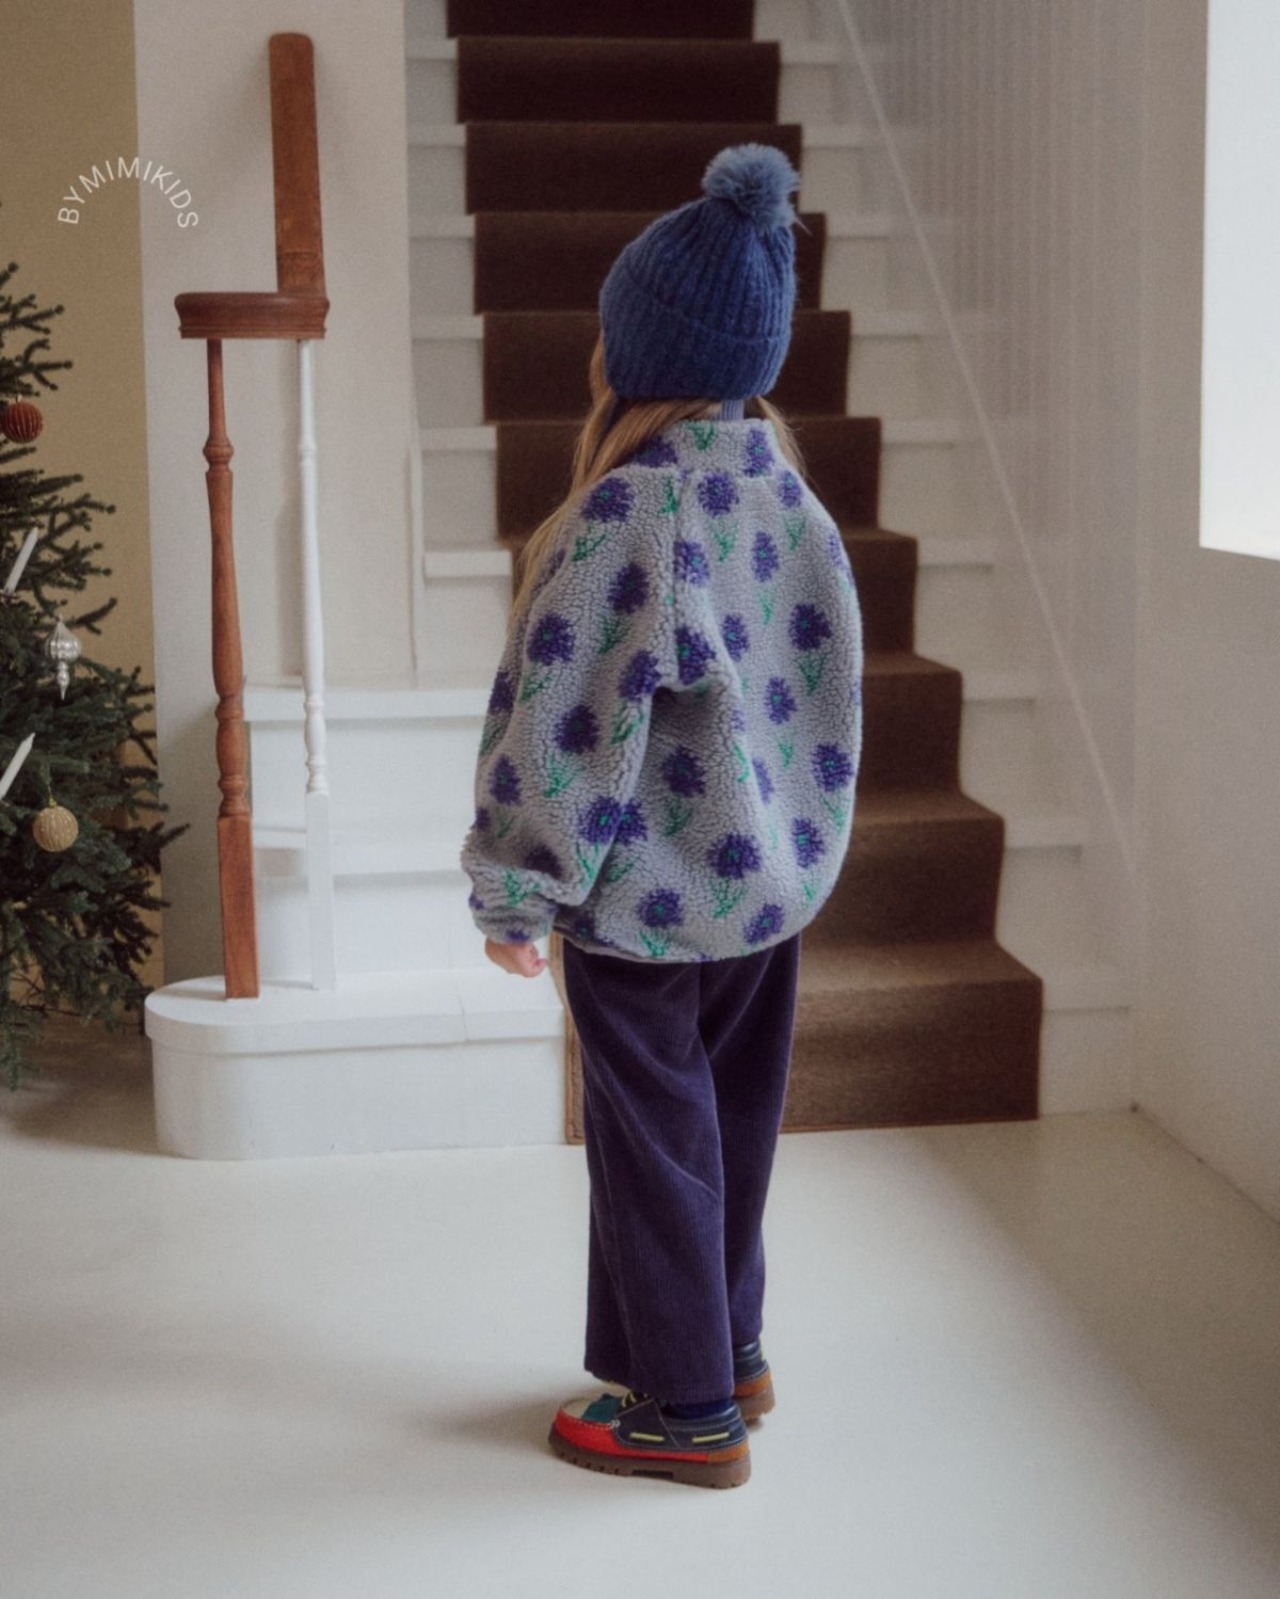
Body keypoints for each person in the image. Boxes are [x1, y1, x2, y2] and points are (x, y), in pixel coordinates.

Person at [459, 143, 865, 1489]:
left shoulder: (627, 514)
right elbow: (827, 705)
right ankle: (726, 1352)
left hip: (642, 906)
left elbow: (563, 716)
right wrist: (800, 848)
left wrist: (521, 885)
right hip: (765, 897)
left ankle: (687, 1413)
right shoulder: (792, 501)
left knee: (654, 1150)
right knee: (726, 1132)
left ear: (633, 352)